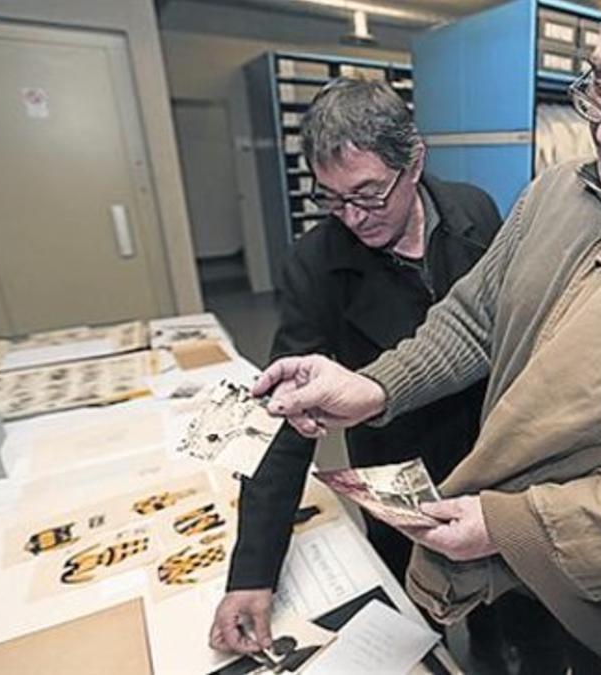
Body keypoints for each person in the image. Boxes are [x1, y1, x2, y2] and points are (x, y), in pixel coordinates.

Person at [252, 0, 601, 670]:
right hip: (494, 559)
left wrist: (512, 526)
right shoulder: (553, 196)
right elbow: (474, 319)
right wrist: (373, 385)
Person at [208, 79, 525, 666]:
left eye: (369, 194)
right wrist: (252, 572)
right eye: (331, 199)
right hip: (397, 472)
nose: (352, 217)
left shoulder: (475, 210)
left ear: (415, 163)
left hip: (492, 460)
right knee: (413, 631)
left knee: (503, 622)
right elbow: (284, 421)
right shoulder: (316, 263)